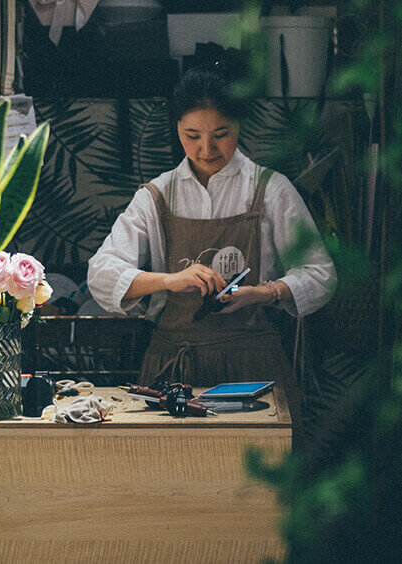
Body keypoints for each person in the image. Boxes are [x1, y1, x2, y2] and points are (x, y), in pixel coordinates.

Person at [88, 68, 337, 440]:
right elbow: (101, 272)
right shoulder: (157, 196)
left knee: (257, 491)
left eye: (221, 135)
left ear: (239, 127)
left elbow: (321, 274)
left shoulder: (270, 189)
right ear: (177, 130)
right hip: (172, 369)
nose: (207, 149)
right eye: (192, 136)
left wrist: (264, 292)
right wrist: (171, 280)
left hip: (254, 367)